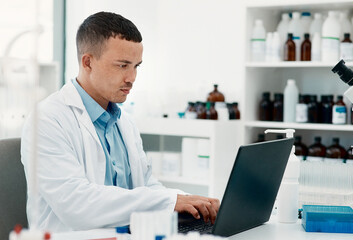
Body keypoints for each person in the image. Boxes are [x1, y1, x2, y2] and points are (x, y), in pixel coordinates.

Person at [21, 11, 219, 232]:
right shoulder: (47, 120)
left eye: (136, 66)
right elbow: (78, 205)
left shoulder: (124, 122)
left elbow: (146, 186)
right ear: (88, 62)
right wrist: (169, 201)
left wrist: (189, 200)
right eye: (122, 65)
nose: (132, 78)